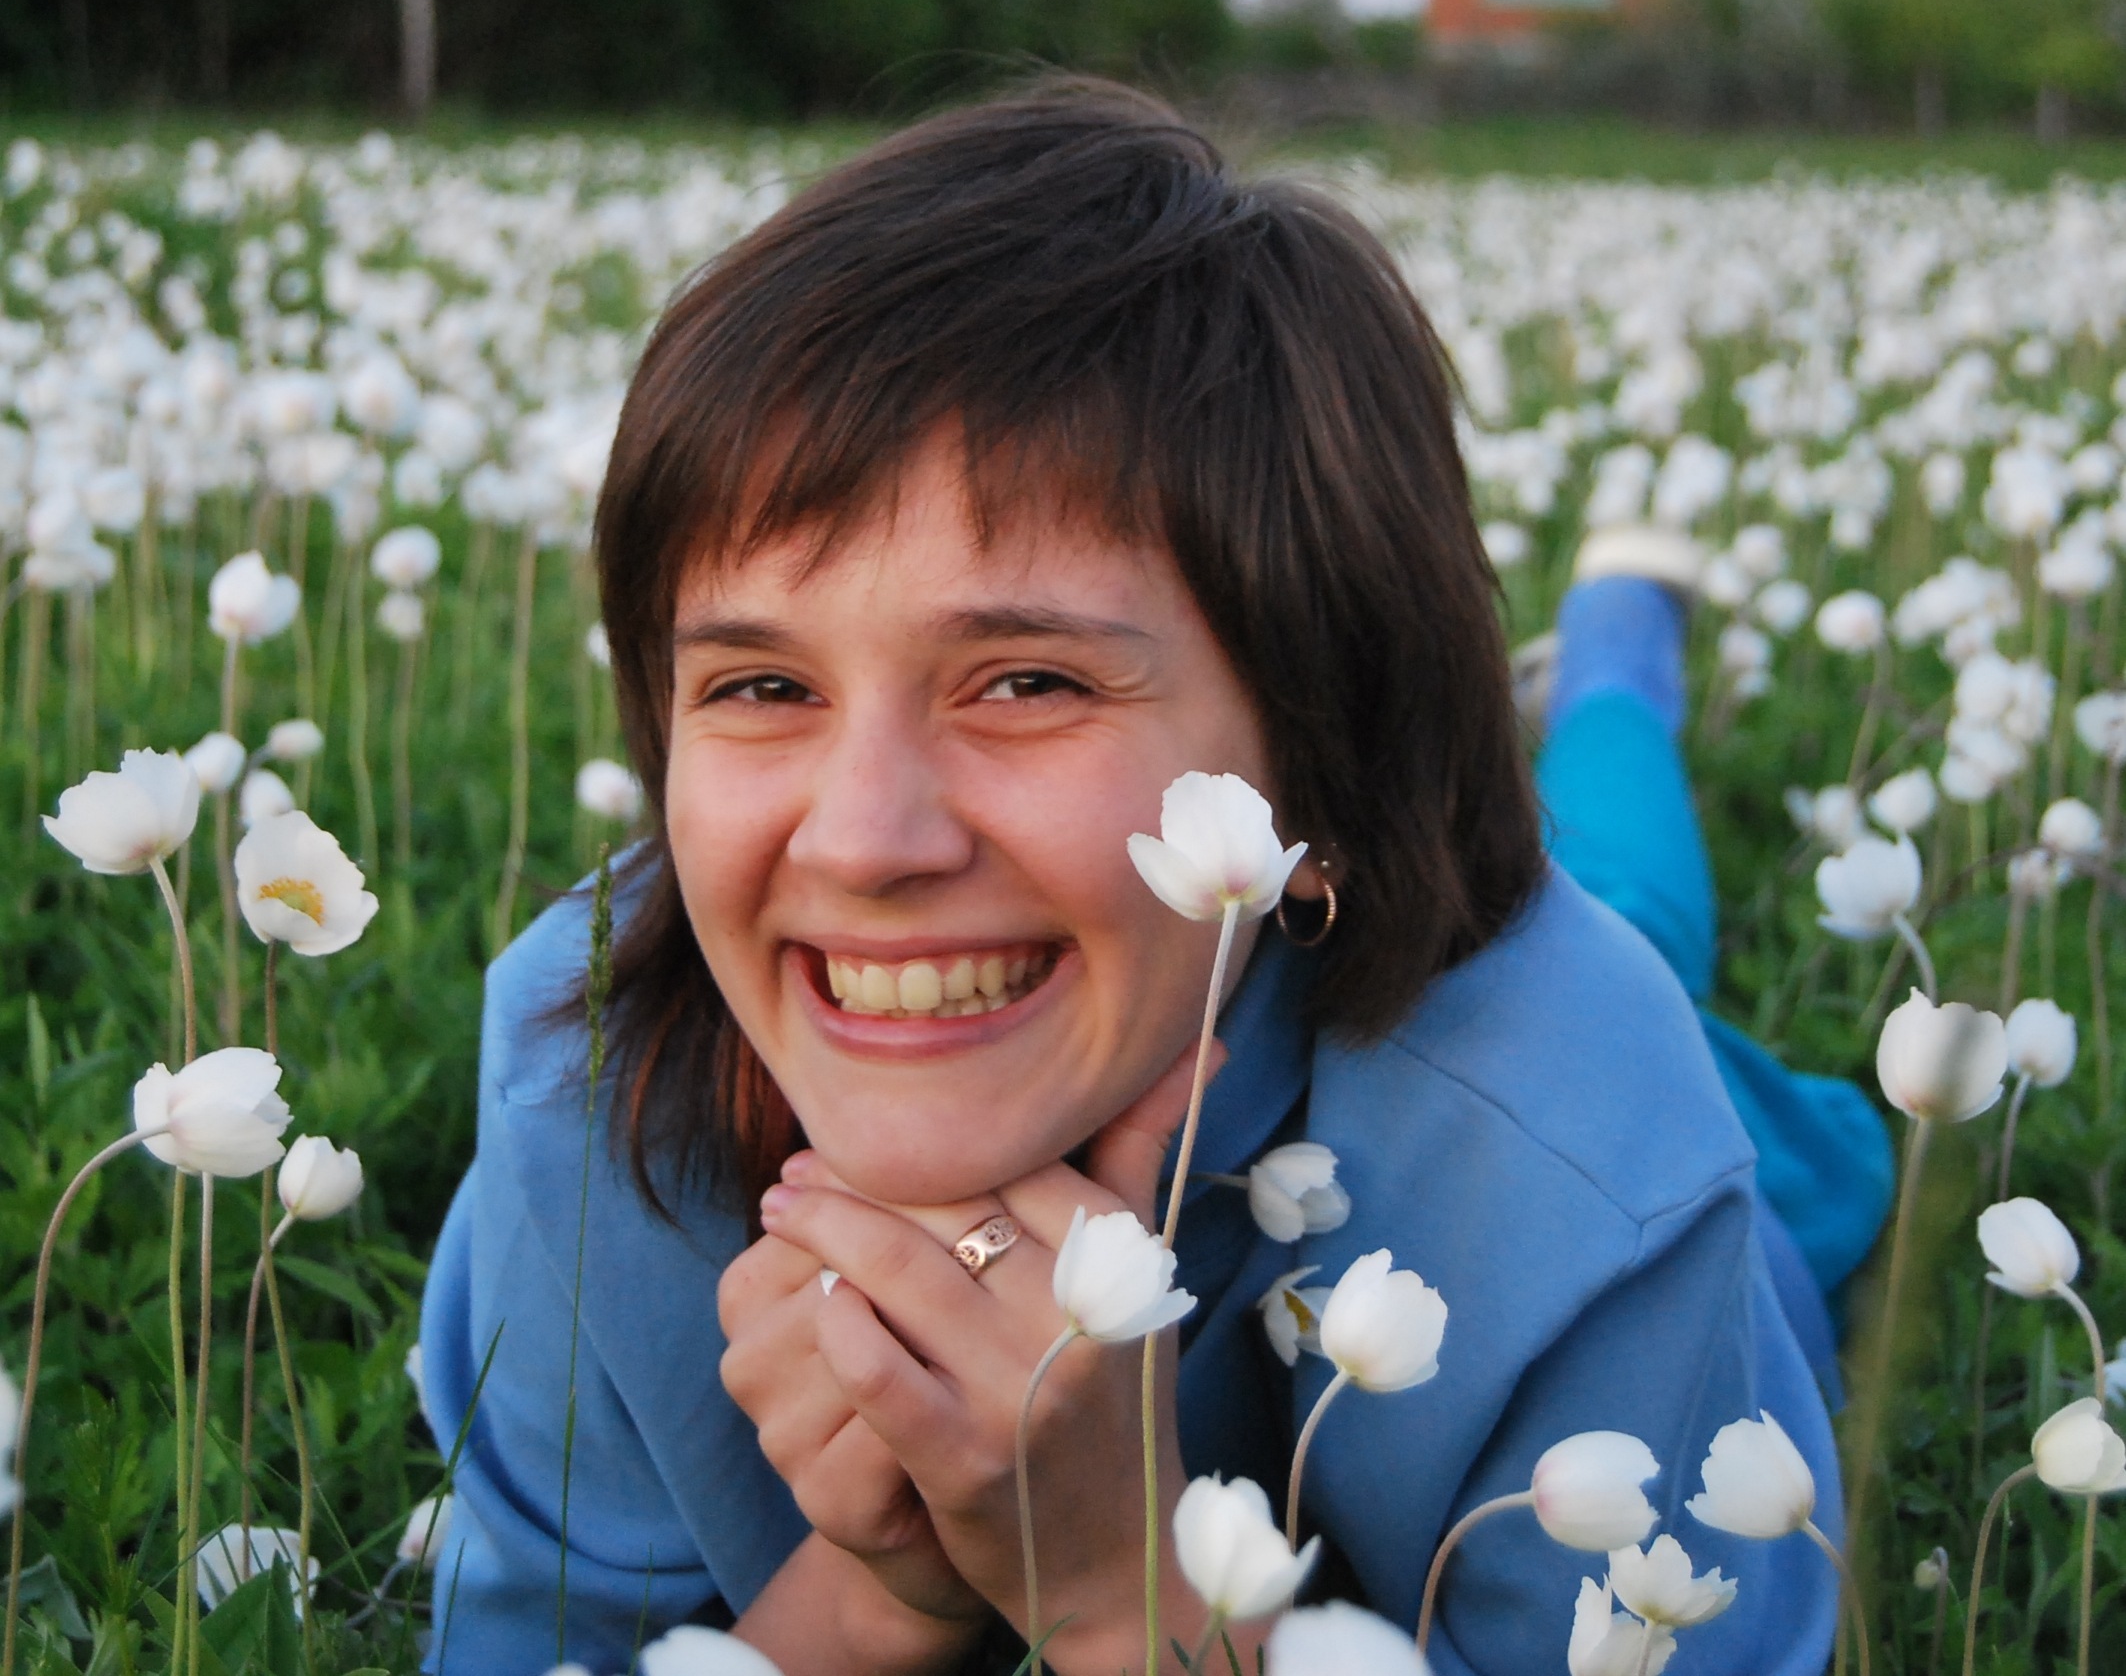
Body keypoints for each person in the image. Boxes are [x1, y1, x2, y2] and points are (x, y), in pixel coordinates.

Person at [418, 83, 1884, 1675]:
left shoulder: (1576, 1148)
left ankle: (1615, 656)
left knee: (1624, 901)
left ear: (1323, 761)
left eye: (1027, 682)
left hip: (1474, 1004)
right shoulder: (594, 1079)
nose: (857, 841)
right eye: (764, 685)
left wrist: (1120, 1589)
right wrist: (881, 1596)